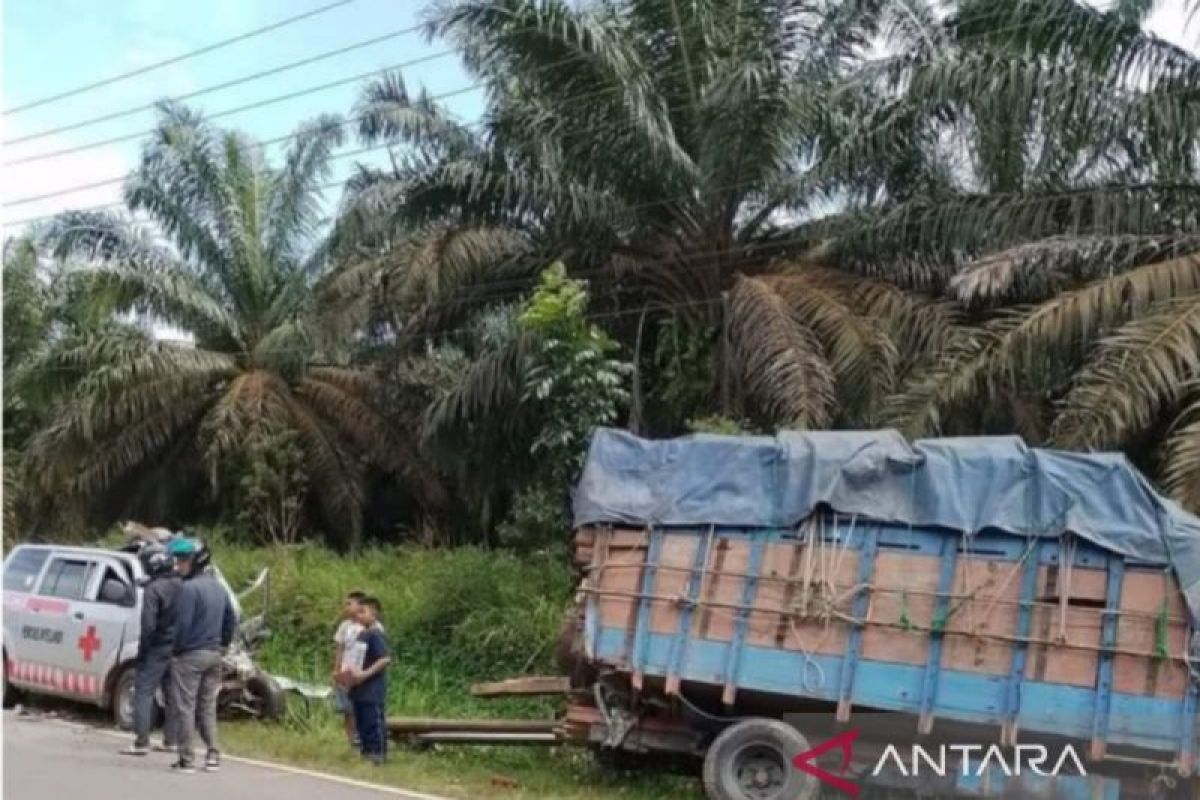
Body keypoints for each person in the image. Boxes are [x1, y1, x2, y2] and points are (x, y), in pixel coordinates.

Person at [167, 537, 236, 774]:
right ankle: (213, 754)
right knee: (207, 706)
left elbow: (183, 625)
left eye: (183, 560)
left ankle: (187, 758)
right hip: (214, 654)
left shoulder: (189, 589)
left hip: (190, 656)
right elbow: (230, 620)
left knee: (185, 706)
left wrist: (176, 650)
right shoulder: (219, 588)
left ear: (196, 561)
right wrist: (222, 645)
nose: (179, 565)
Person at [121, 542, 181, 756]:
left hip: (157, 646)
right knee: (172, 693)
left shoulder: (153, 590)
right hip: (177, 647)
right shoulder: (181, 584)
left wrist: (143, 651)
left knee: (143, 691)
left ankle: (141, 741)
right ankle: (171, 740)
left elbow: (148, 625)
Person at [338, 597, 391, 765]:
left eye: (363, 612)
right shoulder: (362, 634)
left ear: (374, 614)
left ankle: (377, 754)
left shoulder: (376, 634)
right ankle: (366, 752)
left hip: (372, 689)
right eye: (358, 611)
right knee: (361, 722)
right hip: (358, 688)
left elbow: (384, 659)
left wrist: (365, 674)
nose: (358, 615)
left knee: (373, 722)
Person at [332, 591, 367, 748]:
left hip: (361, 674)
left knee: (361, 707)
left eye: (349, 604)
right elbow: (339, 648)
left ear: (360, 605)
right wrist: (336, 670)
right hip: (345, 674)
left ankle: (363, 737)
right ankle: (350, 740)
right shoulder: (345, 626)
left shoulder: (367, 626)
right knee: (347, 709)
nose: (346, 608)